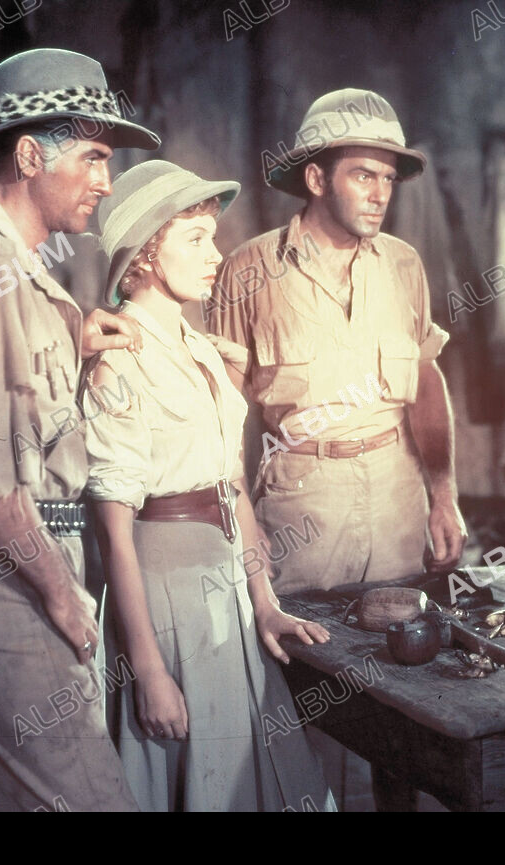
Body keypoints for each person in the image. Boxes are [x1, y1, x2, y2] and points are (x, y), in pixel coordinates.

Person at [0, 48, 161, 811]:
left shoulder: (2, 264)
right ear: (26, 154)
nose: (106, 182)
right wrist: (61, 593)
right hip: (9, 577)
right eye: (94, 158)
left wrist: (69, 344)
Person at [82, 160, 336, 812]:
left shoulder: (200, 346)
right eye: (194, 238)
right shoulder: (118, 357)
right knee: (198, 778)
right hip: (168, 599)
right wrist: (148, 671)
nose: (215, 254)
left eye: (212, 235)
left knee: (260, 775)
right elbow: (114, 532)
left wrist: (266, 600)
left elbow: (231, 486)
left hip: (229, 592)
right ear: (143, 254)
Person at [210, 88, 466, 595]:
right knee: (302, 657)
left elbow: (425, 380)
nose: (381, 194)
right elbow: (220, 413)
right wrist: (240, 523)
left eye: (389, 178)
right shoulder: (247, 271)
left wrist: (443, 494)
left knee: (404, 653)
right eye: (363, 175)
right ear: (316, 179)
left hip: (398, 495)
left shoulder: (403, 263)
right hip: (302, 501)